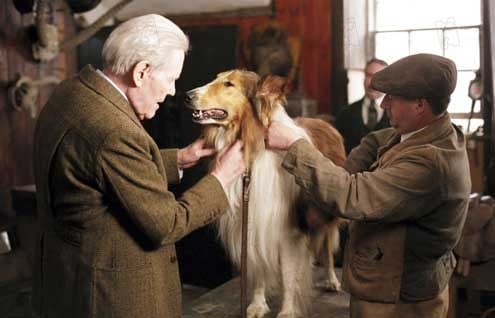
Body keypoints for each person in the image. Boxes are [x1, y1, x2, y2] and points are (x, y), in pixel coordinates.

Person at [32, 14, 245, 318]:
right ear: (142, 72)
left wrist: (179, 158)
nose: (172, 91)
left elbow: (99, 167)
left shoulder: (72, 92)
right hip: (110, 298)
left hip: (66, 280)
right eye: (171, 79)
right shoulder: (115, 131)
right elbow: (166, 224)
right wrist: (220, 178)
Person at [266, 53, 471, 318]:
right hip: (393, 284)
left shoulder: (430, 161)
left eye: (392, 98)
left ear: (420, 105)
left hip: (398, 298)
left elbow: (355, 196)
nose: (384, 104)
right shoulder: (430, 131)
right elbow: (376, 140)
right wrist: (341, 180)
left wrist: (295, 145)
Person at [336, 58, 389, 154]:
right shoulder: (345, 114)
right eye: (368, 75)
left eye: (378, 77)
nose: (372, 82)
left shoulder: (397, 113)